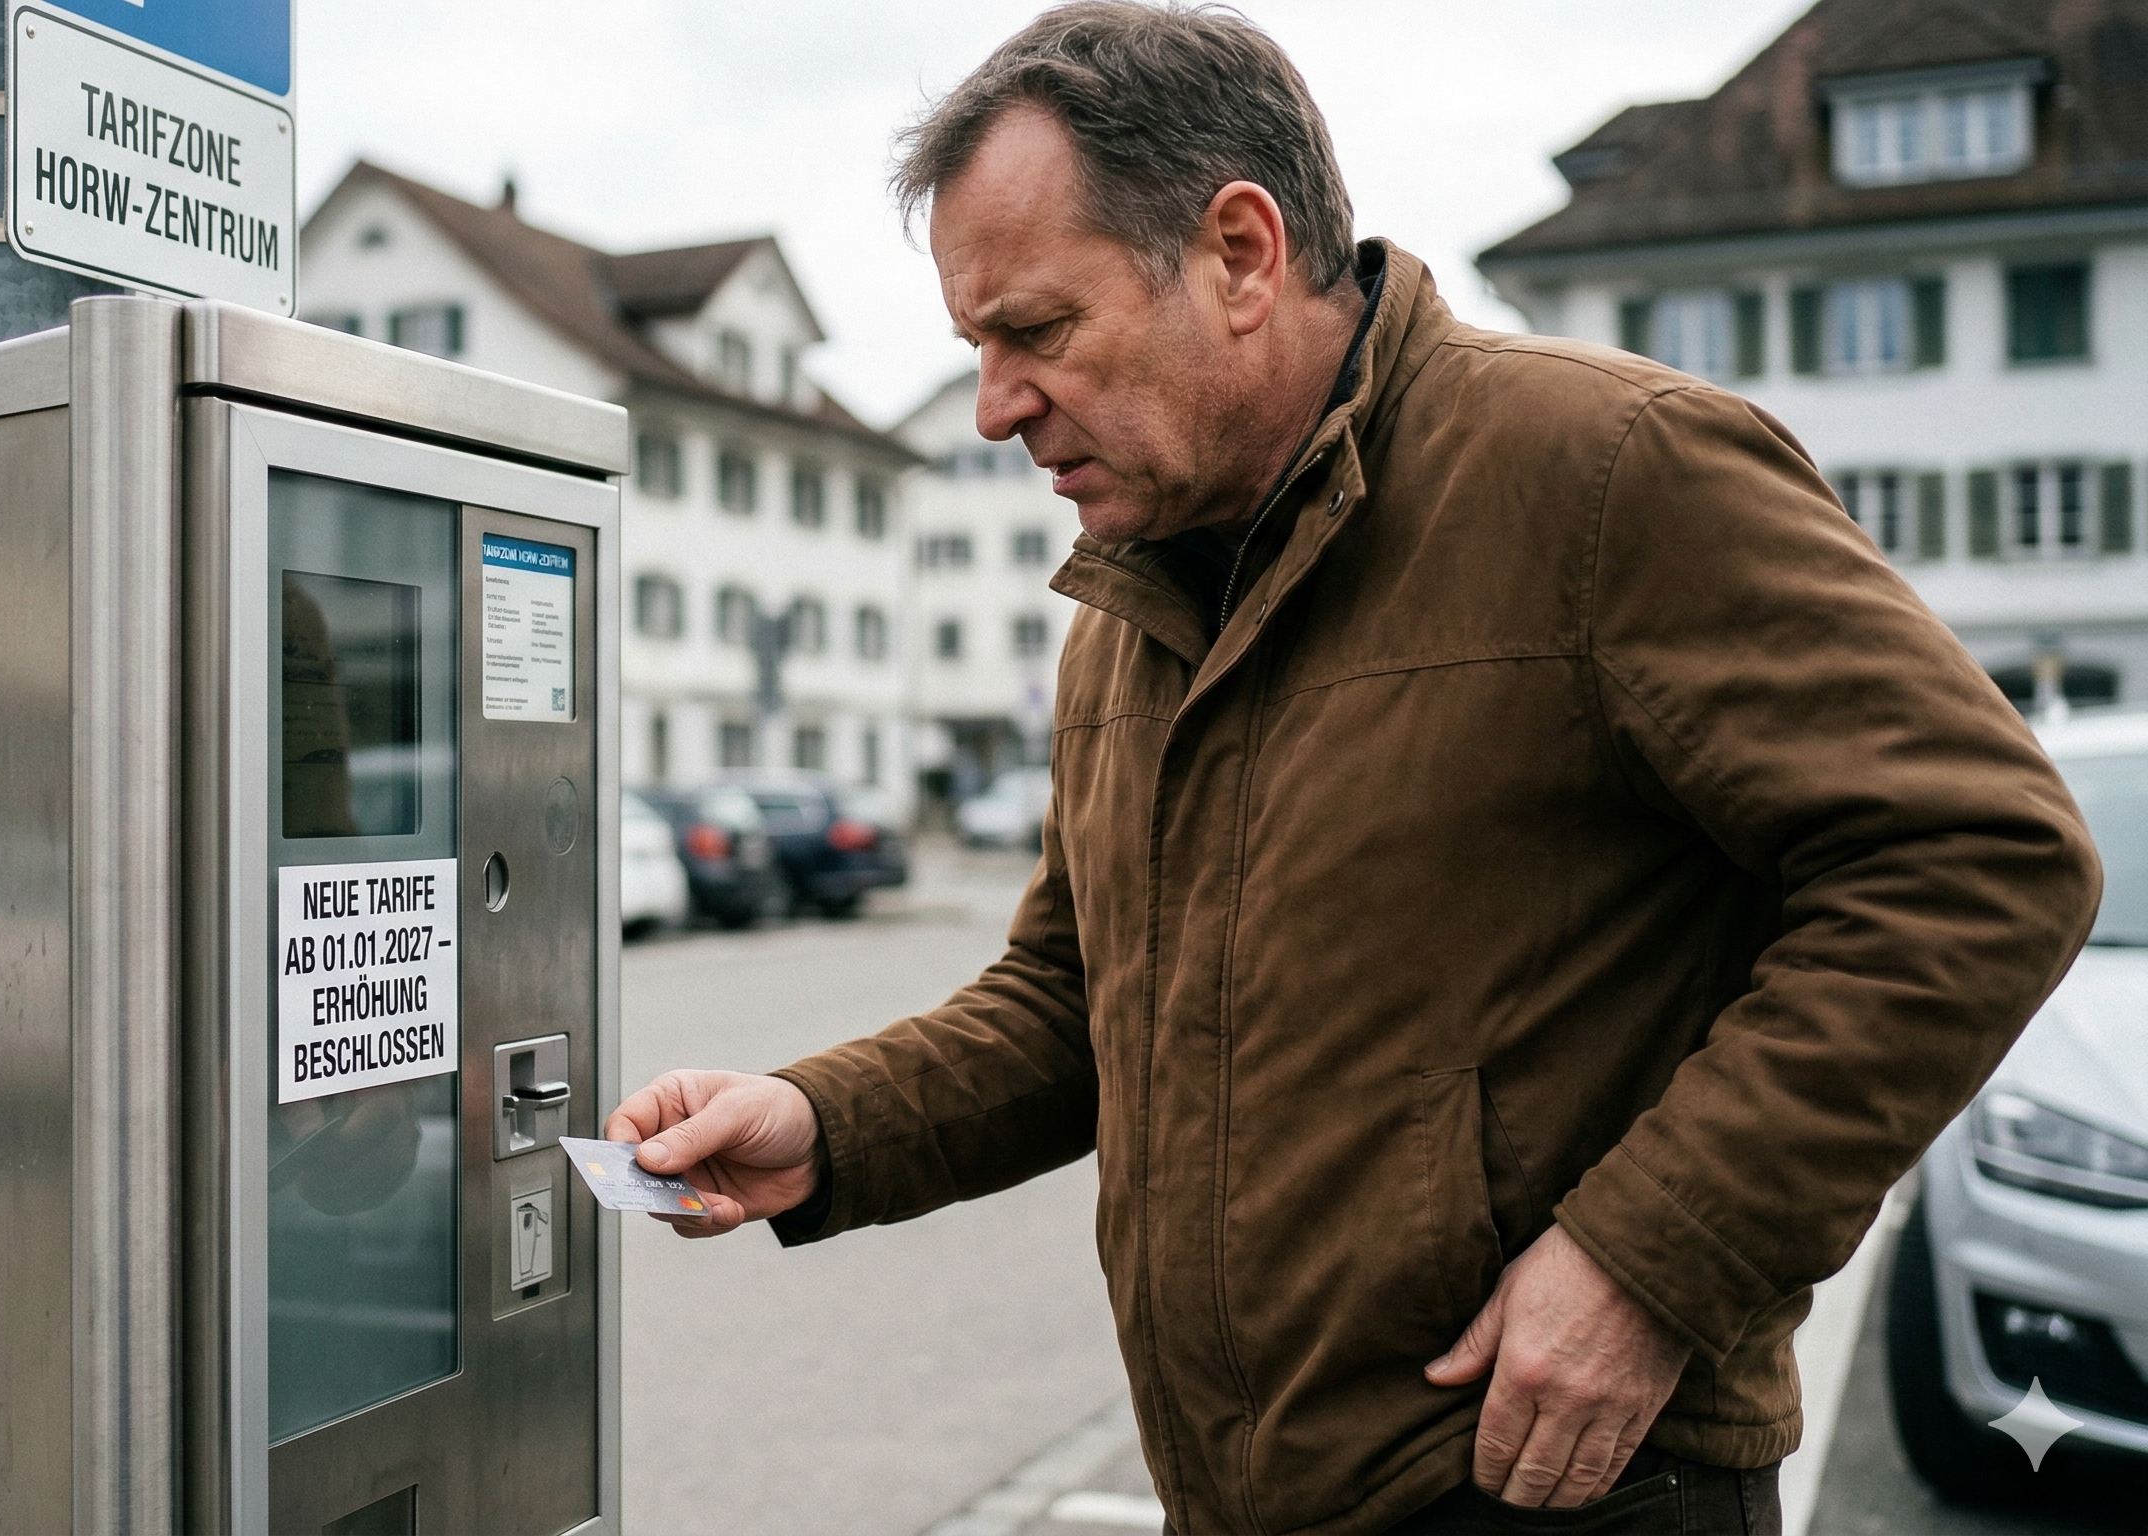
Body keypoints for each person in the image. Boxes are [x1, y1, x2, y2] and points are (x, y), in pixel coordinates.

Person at [606, 5, 2101, 1533]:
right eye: (976, 348)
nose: (994, 407)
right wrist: (825, 1122)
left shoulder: (1605, 473)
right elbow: (1075, 1002)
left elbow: (1980, 858)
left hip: (1571, 1491)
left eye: (1036, 332)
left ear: (1242, 254)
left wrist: (1651, 1264)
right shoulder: (1128, 608)